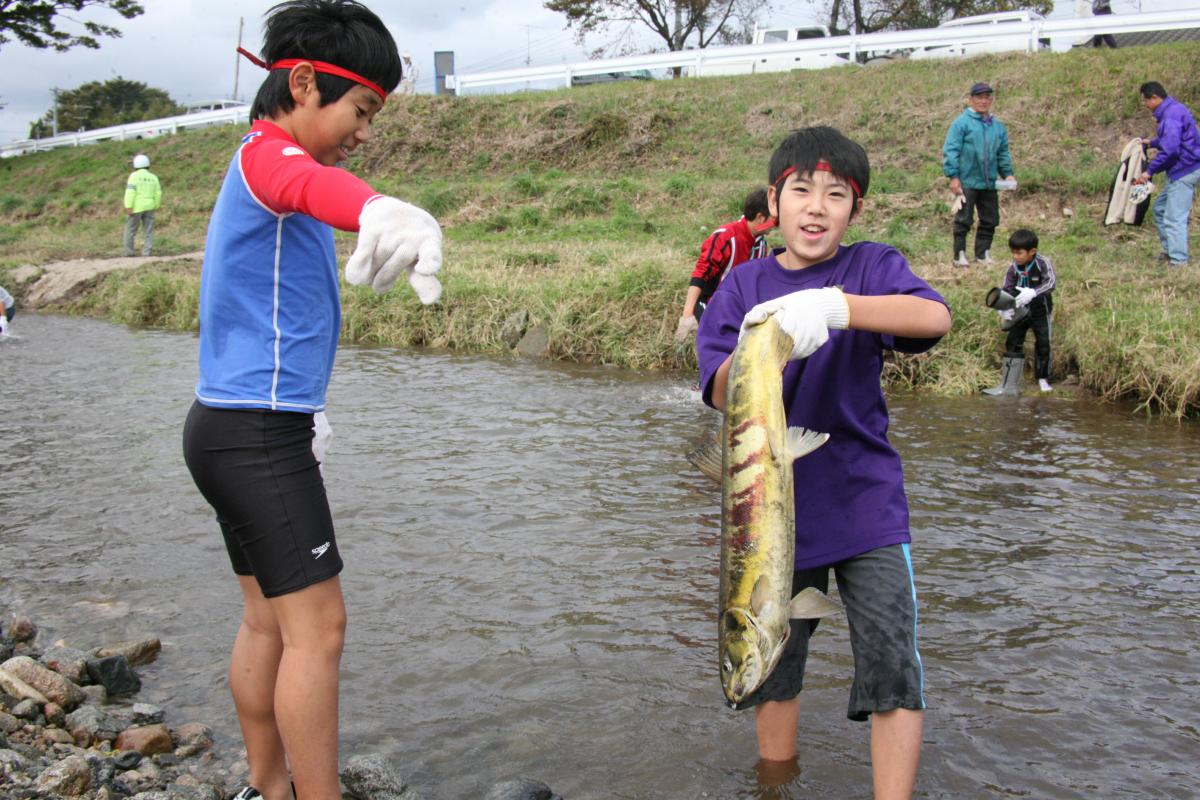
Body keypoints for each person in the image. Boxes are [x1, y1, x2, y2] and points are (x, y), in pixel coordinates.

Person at [182, 3, 442, 800]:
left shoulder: (257, 162)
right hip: (258, 438)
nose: (365, 131)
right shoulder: (271, 158)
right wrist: (376, 208)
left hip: (229, 427)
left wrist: (308, 413)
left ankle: (269, 785)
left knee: (269, 622)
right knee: (318, 632)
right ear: (301, 82)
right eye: (360, 110)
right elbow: (312, 183)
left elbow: (307, 191)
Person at [696, 126, 951, 799]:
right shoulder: (743, 285)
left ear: (855, 210)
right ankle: (775, 786)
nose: (816, 207)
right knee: (773, 665)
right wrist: (761, 342)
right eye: (800, 190)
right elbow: (719, 389)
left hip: (867, 506)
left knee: (893, 664)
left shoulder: (870, 266)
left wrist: (838, 309)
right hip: (772, 518)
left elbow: (933, 319)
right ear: (773, 201)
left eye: (836, 195)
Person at [674, 188, 772, 342]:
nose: (777, 223)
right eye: (773, 218)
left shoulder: (761, 244)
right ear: (760, 217)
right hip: (710, 305)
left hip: (737, 309)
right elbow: (701, 273)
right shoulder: (726, 236)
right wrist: (687, 315)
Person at [942, 82, 1015, 267]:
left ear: (991, 100)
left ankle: (982, 254)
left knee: (990, 219)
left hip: (989, 182)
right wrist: (953, 176)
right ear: (971, 99)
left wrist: (1007, 174)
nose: (983, 101)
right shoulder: (961, 123)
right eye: (979, 97)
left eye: (987, 97)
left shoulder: (997, 127)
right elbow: (951, 149)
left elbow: (1003, 152)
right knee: (963, 220)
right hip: (967, 180)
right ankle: (959, 255)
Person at [1133, 82, 1200, 268]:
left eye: (1146, 100)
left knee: (1174, 218)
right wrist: (1151, 142)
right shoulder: (1174, 109)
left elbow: (1171, 150)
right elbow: (1172, 138)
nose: (1145, 104)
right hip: (1187, 167)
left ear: (1155, 98)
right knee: (1160, 209)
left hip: (1185, 171)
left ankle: (1178, 262)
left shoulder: (1169, 117)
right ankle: (1170, 251)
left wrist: (1149, 171)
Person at [986, 229, 1057, 395]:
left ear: (1032, 251)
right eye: (1013, 253)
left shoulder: (1042, 263)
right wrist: (1003, 309)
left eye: (1019, 253)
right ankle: (1010, 381)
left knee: (1043, 342)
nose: (1016, 256)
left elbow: (1051, 282)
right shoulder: (1013, 267)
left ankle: (1043, 378)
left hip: (1040, 310)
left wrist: (1033, 292)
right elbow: (1007, 288)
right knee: (1013, 341)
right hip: (1019, 311)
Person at [123, 153, 162, 256]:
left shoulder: (134, 176)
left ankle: (129, 252)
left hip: (136, 207)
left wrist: (128, 206)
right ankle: (147, 252)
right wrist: (156, 205)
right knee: (148, 231)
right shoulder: (153, 177)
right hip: (150, 206)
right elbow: (158, 193)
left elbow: (130, 192)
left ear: (135, 165)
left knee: (130, 230)